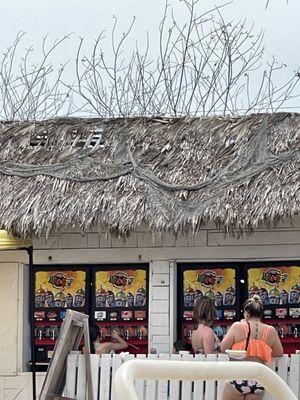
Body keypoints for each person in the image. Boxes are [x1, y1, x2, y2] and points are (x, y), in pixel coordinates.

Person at [221, 295, 283, 400]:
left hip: (238, 375)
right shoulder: (271, 330)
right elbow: (278, 352)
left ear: (246, 313)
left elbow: (223, 348)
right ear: (261, 314)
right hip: (258, 379)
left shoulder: (238, 326)